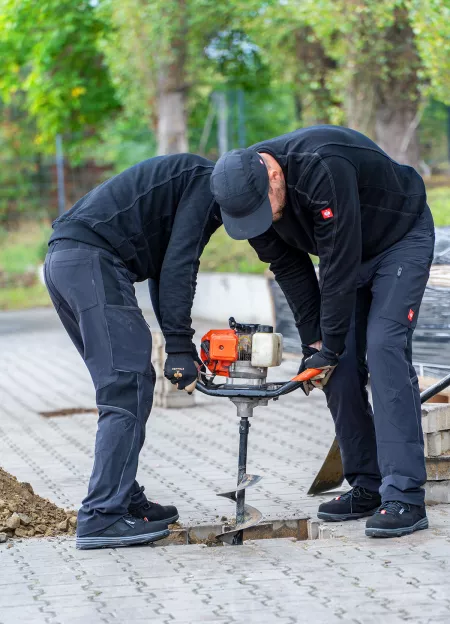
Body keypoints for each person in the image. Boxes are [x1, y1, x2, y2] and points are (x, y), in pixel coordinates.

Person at [210, 126, 434, 538]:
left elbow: (337, 262)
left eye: (266, 207)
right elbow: (290, 269)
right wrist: (317, 343)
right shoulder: (247, 198)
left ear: (273, 175)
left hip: (398, 239)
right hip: (348, 255)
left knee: (384, 347)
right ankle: (367, 484)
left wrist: (328, 343)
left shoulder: (322, 167)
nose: (263, 220)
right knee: (336, 365)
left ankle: (405, 495)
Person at [44, 154, 221, 549]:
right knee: (126, 385)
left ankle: (123, 495)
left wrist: (181, 345)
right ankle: (102, 516)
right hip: (93, 261)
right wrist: (177, 346)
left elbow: (164, 268)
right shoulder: (208, 183)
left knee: (126, 382)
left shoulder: (189, 180)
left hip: (66, 261)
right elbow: (180, 265)